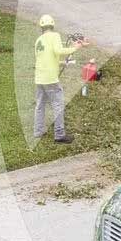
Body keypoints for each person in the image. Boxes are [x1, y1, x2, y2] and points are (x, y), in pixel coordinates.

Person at [33, 13, 87, 143]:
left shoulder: (39, 40)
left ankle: (38, 131)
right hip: (51, 79)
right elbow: (58, 50)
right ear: (52, 25)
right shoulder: (55, 36)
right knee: (58, 105)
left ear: (42, 27)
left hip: (40, 78)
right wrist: (76, 47)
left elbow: (45, 58)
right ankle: (59, 134)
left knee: (40, 105)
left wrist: (62, 63)